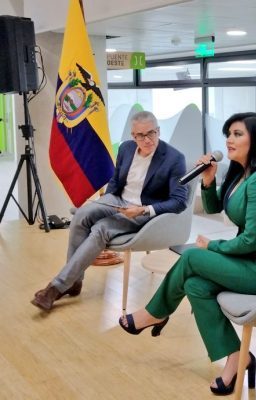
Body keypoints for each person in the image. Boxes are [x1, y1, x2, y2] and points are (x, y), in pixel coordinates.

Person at [119, 112, 256, 395]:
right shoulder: (243, 173)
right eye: (228, 134)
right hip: (253, 261)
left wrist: (213, 246)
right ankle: (237, 358)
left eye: (237, 134)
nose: (229, 140)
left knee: (192, 256)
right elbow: (216, 207)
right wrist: (208, 179)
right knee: (195, 284)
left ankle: (155, 313)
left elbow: (251, 241)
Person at [31, 111, 188, 312]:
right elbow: (116, 179)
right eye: (140, 135)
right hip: (117, 200)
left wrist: (143, 210)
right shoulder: (126, 148)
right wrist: (106, 203)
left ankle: (57, 287)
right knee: (81, 215)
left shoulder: (174, 158)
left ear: (158, 131)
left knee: (102, 229)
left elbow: (179, 201)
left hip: (142, 209)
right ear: (133, 136)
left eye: (151, 133)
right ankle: (74, 281)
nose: (147, 139)